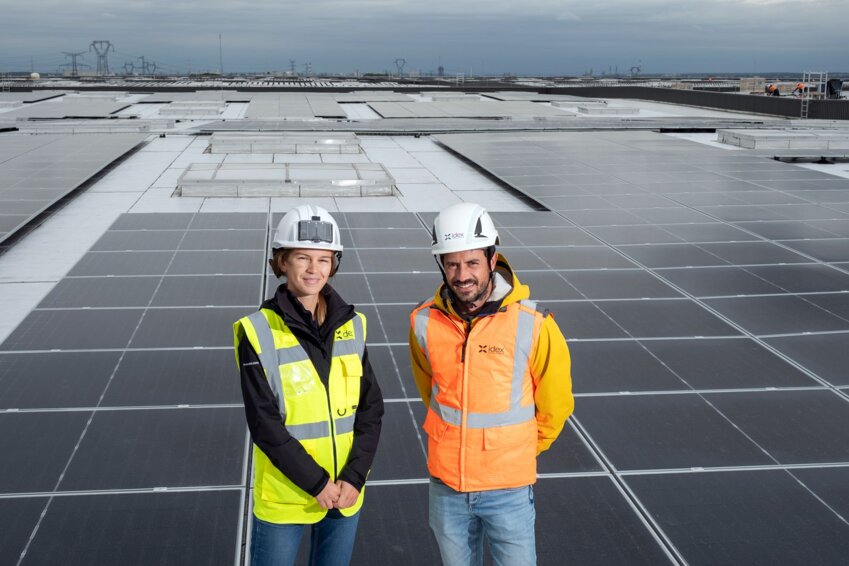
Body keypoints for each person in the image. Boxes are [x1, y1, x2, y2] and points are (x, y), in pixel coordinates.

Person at [409, 202, 574, 566]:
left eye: (472, 262)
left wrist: (518, 450)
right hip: (447, 486)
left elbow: (557, 404)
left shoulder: (534, 323)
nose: (462, 275)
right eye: (452, 264)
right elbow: (431, 391)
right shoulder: (423, 321)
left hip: (507, 488)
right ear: (441, 265)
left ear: (492, 259)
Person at [234, 204, 383, 566]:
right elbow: (265, 425)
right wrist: (318, 484)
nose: (314, 269)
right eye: (303, 258)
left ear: (334, 264)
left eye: (324, 259)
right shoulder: (257, 331)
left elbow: (371, 409)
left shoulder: (352, 324)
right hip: (286, 497)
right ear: (283, 261)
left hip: (344, 493)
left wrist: (354, 478)